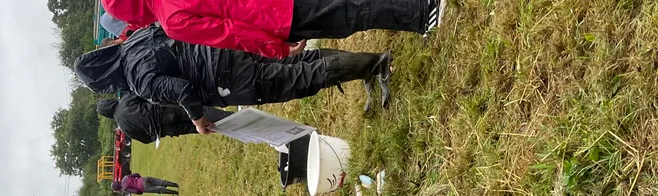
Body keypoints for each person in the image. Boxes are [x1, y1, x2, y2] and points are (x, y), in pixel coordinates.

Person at [75, 25, 393, 131]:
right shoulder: (134, 41)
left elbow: (183, 90)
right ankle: (367, 67)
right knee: (296, 61)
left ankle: (376, 65)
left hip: (224, 77)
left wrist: (198, 120)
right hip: (222, 47)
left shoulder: (136, 79)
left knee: (297, 79)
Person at [101, 0, 446, 59]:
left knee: (347, 14)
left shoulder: (172, 21)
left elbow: (231, 33)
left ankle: (421, 12)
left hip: (275, 16)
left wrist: (277, 48)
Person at [97, 96, 231, 144]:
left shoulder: (124, 128)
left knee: (202, 129)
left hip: (166, 130)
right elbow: (145, 95)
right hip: (166, 111)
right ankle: (233, 119)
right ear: (110, 102)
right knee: (200, 115)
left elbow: (145, 140)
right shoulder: (125, 101)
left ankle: (231, 128)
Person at [112, 171, 180, 195]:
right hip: (143, 179)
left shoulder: (124, 188)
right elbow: (136, 174)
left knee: (160, 190)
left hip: (143, 187)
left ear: (117, 188)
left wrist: (140, 192)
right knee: (161, 182)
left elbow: (135, 191)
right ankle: (175, 185)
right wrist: (140, 179)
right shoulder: (125, 177)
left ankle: (175, 192)